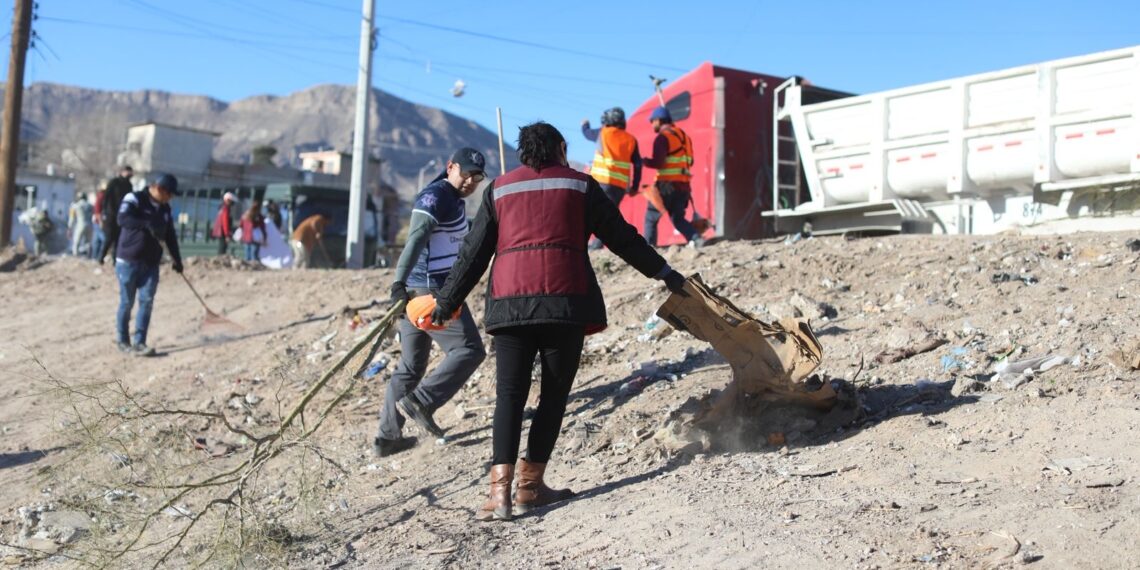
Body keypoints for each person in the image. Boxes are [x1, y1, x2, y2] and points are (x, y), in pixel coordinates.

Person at [433, 122, 687, 521]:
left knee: (509, 397)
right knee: (552, 397)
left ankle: (499, 495)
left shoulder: (499, 189)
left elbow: (473, 254)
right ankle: (530, 488)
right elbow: (622, 238)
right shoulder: (581, 186)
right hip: (565, 304)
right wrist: (665, 273)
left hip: (511, 305)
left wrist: (445, 302)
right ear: (561, 149)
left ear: (523, 153)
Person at [375, 148, 489, 457]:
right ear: (450, 167)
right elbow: (416, 238)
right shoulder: (436, 196)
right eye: (466, 173)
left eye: (477, 177)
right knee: (468, 350)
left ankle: (388, 437)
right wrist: (398, 283)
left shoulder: (453, 200)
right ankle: (422, 402)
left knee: (411, 367)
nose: (470, 181)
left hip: (418, 293)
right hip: (431, 293)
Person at [114, 173, 184, 357]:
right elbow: (122, 219)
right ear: (159, 189)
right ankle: (122, 341)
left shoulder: (165, 210)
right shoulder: (134, 199)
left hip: (151, 263)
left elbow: (170, 236)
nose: (170, 198)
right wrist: (146, 223)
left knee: (146, 302)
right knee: (127, 302)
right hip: (128, 261)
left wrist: (177, 260)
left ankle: (140, 342)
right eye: (169, 194)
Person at [581, 107, 642, 250]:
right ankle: (597, 244)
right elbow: (638, 165)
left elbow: (586, 133)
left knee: (591, 213)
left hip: (601, 182)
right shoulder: (631, 140)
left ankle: (593, 245)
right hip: (620, 187)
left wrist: (585, 124)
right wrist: (634, 186)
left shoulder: (602, 133)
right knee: (607, 215)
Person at [641, 107, 702, 247]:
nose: (651, 124)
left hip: (665, 186)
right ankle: (696, 239)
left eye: (652, 121)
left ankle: (647, 249)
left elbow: (658, 163)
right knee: (678, 219)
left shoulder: (662, 138)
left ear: (659, 120)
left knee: (651, 217)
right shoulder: (684, 137)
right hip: (683, 186)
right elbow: (690, 161)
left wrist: (643, 161)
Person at [99, 165, 134, 264]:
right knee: (109, 237)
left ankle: (115, 259)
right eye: (128, 172)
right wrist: (104, 212)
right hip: (111, 215)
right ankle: (101, 257)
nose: (129, 174)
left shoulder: (129, 185)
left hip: (122, 215)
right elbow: (106, 197)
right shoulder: (114, 182)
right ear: (122, 172)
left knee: (118, 239)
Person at [239, 198, 268, 262]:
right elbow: (262, 227)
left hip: (246, 236)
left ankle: (247, 267)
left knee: (247, 254)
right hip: (255, 237)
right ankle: (253, 267)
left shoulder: (245, 215)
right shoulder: (258, 216)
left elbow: (241, 225)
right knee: (254, 255)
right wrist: (265, 238)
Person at [90, 183, 108, 261]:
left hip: (97, 220)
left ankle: (94, 257)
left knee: (96, 240)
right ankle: (98, 257)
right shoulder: (102, 196)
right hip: (99, 221)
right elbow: (97, 210)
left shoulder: (101, 195)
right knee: (103, 239)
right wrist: (100, 221)